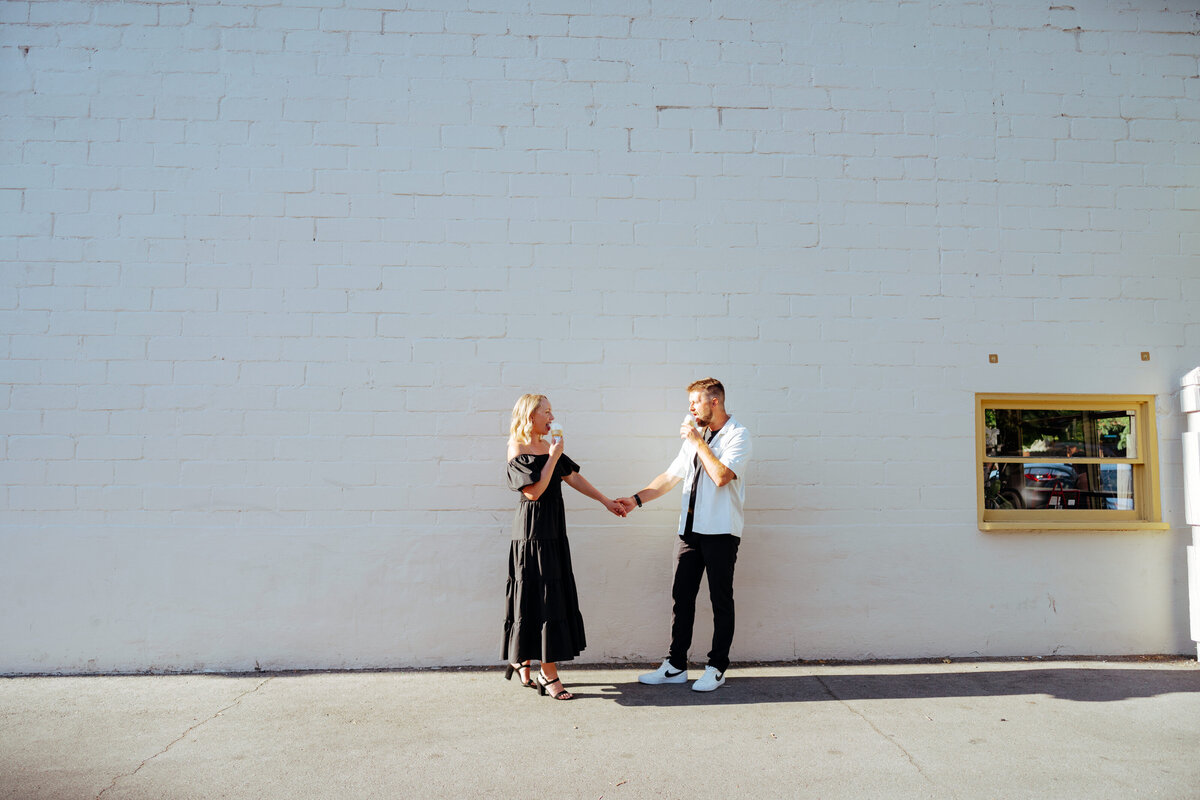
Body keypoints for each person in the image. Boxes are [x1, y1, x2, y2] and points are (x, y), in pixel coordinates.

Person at [617, 378, 751, 692]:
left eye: (695, 402)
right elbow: (670, 476)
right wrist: (636, 500)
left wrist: (697, 441)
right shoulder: (696, 435)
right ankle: (676, 665)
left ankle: (717, 666)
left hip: (720, 531)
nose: (690, 408)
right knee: (682, 599)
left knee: (720, 600)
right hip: (689, 532)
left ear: (714, 401)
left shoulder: (738, 435)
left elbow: (720, 476)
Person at [503, 393, 626, 700]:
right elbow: (534, 492)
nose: (552, 417)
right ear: (531, 416)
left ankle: (523, 661)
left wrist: (606, 502)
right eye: (547, 412)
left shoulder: (548, 447)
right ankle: (548, 673)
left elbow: (573, 478)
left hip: (554, 531)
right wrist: (554, 457)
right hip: (532, 533)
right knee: (538, 597)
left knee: (551, 596)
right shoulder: (517, 447)